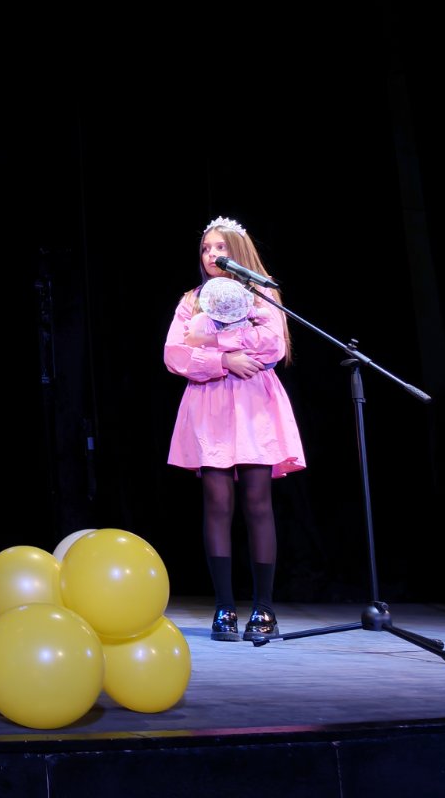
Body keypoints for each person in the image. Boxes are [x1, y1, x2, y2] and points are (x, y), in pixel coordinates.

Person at [164, 214, 306, 643]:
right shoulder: (191, 300)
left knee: (258, 502)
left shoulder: (263, 293)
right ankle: (224, 606)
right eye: (206, 249)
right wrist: (224, 359)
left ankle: (264, 607)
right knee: (217, 502)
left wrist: (211, 343)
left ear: (238, 252)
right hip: (209, 403)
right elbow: (175, 354)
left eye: (220, 247)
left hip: (252, 402)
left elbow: (272, 345)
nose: (211, 255)